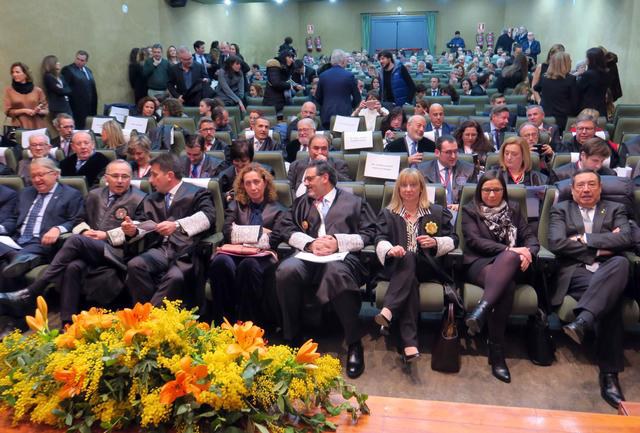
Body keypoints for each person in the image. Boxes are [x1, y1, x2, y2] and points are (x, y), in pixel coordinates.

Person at [0, 160, 146, 323]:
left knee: (76, 240)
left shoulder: (139, 198)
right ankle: (67, 322)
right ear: (106, 177)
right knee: (73, 267)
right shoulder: (95, 194)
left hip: (119, 252)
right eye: (115, 176)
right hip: (91, 249)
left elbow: (143, 228)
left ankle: (34, 290)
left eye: (125, 176)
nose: (120, 180)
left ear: (131, 178)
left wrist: (106, 235)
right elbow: (78, 220)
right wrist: (85, 231)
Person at [276, 160, 376, 378]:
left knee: (335, 272)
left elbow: (370, 233)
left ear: (325, 178)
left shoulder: (355, 202)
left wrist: (338, 242)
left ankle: (354, 342)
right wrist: (310, 243)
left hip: (343, 259)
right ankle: (292, 336)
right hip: (308, 257)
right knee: (286, 270)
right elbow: (285, 227)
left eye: (309, 179)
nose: (305, 183)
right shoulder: (302, 202)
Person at [548, 169, 631, 408]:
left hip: (610, 269)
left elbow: (625, 239)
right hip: (576, 272)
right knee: (611, 299)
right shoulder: (561, 209)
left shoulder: (616, 209)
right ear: (573, 191)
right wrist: (601, 246)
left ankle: (583, 321)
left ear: (600, 188)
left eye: (591, 185)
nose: (586, 190)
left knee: (621, 262)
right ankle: (609, 374)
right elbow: (556, 243)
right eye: (581, 185)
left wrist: (583, 239)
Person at [462, 171, 539, 382]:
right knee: (507, 286)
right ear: (479, 191)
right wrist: (511, 250)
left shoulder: (513, 209)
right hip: (480, 263)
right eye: (487, 190)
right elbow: (475, 241)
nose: (491, 194)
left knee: (508, 268)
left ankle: (482, 310)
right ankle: (497, 351)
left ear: (503, 190)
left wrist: (529, 252)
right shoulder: (470, 210)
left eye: (496, 189)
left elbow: (530, 237)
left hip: (513, 266)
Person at [375, 168, 457, 362]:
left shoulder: (436, 211)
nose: (408, 189)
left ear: (421, 188)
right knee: (409, 272)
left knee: (411, 258)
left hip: (427, 267)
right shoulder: (388, 213)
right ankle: (410, 344)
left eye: (413, 185)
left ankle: (389, 310)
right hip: (398, 268)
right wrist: (390, 250)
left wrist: (436, 242)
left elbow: (454, 239)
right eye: (404, 185)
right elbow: (379, 238)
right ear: (398, 189)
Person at [118, 153, 216, 308]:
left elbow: (208, 217)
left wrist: (176, 225)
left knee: (174, 277)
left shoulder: (197, 193)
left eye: (154, 175)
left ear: (169, 175)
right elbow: (142, 222)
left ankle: (148, 317)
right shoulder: (151, 198)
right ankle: (149, 314)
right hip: (160, 250)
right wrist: (132, 230)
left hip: (186, 252)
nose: (150, 180)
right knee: (135, 265)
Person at [208, 163, 286, 322]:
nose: (253, 187)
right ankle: (224, 321)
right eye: (248, 183)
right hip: (234, 253)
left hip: (263, 257)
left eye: (256, 182)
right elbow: (228, 233)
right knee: (220, 262)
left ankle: (248, 324)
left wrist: (241, 233)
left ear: (265, 182)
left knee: (248, 265)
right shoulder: (236, 205)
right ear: (243, 185)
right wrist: (260, 231)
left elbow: (273, 240)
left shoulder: (279, 209)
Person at [0, 158, 84, 280]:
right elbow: (14, 219)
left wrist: (58, 229)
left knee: (5, 265)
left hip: (41, 242)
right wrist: (2, 228)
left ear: (55, 174)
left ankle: (17, 258)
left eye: (40, 175)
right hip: (17, 241)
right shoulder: (25, 193)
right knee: (8, 264)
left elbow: (76, 220)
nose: (36, 180)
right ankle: (15, 256)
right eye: (33, 176)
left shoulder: (71, 195)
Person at [417, 135, 476, 211]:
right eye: (448, 152)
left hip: (460, 213)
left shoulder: (469, 170)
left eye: (455, 151)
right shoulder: (422, 171)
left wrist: (461, 206)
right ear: (437, 153)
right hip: (433, 212)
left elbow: (475, 198)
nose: (453, 156)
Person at [316, 49, 361, 129]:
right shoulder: (349, 76)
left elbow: (318, 97)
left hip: (326, 115)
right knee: (344, 137)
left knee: (328, 136)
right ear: (343, 61)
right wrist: (349, 105)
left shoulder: (322, 76)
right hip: (345, 115)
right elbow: (357, 98)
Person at [533, 52, 578, 133]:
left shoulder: (544, 77)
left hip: (546, 115)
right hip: (563, 117)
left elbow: (536, 88)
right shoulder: (571, 79)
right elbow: (574, 101)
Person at [3, 62, 48, 129]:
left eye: (17, 72)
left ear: (25, 74)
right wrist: (24, 110)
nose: (14, 74)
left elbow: (46, 110)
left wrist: (38, 111)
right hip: (19, 126)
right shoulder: (9, 91)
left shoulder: (37, 90)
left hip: (37, 125)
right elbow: (8, 111)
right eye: (12, 72)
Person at [549, 137, 614, 183]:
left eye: (602, 161)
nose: (598, 166)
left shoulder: (610, 175)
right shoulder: (559, 175)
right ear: (583, 155)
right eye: (595, 160)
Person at [61, 50, 97, 129]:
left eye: (82, 60)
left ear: (86, 61)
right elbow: (65, 88)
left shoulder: (88, 71)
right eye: (78, 59)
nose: (79, 62)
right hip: (76, 108)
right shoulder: (68, 70)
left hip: (90, 107)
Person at [577, 48, 610, 117]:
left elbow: (578, 90)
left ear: (592, 60)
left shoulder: (588, 74)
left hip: (588, 110)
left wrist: (577, 76)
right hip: (601, 108)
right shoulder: (606, 73)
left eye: (587, 57)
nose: (586, 59)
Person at [263, 50, 294, 118]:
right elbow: (276, 83)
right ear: (284, 57)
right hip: (273, 102)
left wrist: (295, 86)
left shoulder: (284, 67)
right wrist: (289, 85)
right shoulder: (274, 67)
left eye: (292, 58)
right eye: (289, 57)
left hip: (281, 101)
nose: (291, 59)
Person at [41, 55, 71, 119]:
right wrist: (63, 89)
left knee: (71, 122)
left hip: (66, 105)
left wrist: (63, 89)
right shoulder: (48, 77)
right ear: (52, 64)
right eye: (57, 62)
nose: (59, 63)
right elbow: (60, 91)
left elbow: (68, 89)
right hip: (58, 107)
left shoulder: (60, 76)